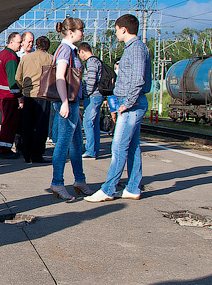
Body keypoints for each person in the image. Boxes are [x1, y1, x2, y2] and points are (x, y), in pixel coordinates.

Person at [87, 14, 152, 203]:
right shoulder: (134, 48)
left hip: (131, 104)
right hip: (131, 103)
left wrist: (127, 103)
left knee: (118, 147)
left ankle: (108, 189)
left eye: (116, 29)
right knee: (132, 146)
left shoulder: (136, 49)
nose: (115, 33)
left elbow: (138, 79)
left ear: (123, 29)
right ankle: (132, 187)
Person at [48, 17, 92, 201]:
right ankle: (57, 183)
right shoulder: (66, 50)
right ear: (72, 33)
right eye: (81, 30)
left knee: (75, 144)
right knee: (63, 144)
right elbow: (59, 76)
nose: (83, 33)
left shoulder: (67, 49)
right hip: (67, 102)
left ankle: (79, 181)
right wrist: (65, 102)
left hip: (71, 102)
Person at [13, 36, 53, 163]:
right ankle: (37, 154)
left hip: (28, 95)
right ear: (47, 46)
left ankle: (26, 153)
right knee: (41, 126)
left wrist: (23, 87)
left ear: (36, 45)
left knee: (27, 125)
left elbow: (18, 77)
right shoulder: (51, 59)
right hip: (44, 95)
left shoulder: (25, 58)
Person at [0, 32, 22, 159]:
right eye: (19, 42)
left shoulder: (1, 54)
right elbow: (13, 81)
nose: (20, 45)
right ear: (11, 42)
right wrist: (20, 97)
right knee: (9, 123)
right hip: (9, 96)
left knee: (6, 121)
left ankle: (3, 148)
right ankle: (4, 149)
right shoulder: (11, 58)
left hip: (0, 94)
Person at [77, 42, 104, 159]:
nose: (80, 57)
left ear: (82, 51)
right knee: (94, 124)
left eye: (80, 54)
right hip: (97, 95)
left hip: (93, 96)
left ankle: (90, 151)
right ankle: (94, 149)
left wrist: (85, 94)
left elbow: (91, 81)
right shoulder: (97, 61)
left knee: (88, 123)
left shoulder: (91, 62)